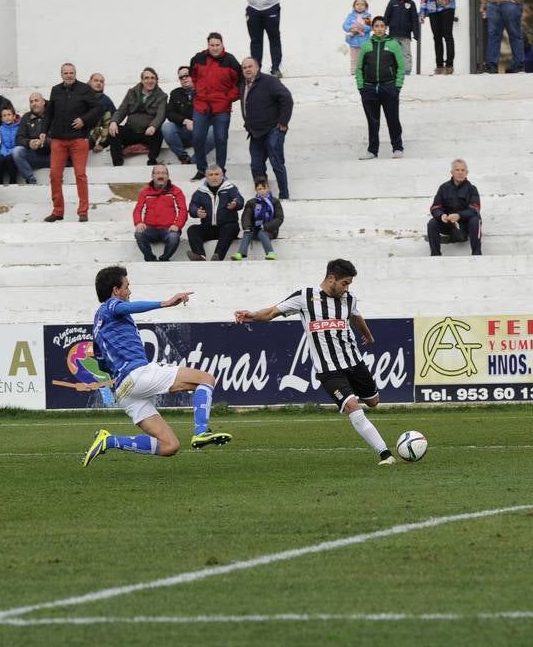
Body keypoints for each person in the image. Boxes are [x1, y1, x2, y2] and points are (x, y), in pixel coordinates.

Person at [235, 259, 395, 465]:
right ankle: (385, 454)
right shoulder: (305, 297)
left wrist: (368, 335)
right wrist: (252, 315)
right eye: (344, 283)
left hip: (354, 362)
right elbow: (272, 312)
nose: (347, 288)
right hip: (328, 369)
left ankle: (377, 436)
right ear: (331, 279)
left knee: (373, 402)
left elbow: (355, 317)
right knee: (353, 407)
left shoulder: (349, 299)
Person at [82, 265, 232, 467]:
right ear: (115, 291)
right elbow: (125, 307)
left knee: (169, 446)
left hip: (123, 391)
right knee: (206, 379)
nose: (130, 291)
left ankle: (109, 440)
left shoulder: (98, 323)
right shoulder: (110, 306)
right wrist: (166, 303)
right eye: (127, 286)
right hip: (137, 374)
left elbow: (102, 364)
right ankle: (201, 431)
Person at [42, 62, 102, 223]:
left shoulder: (85, 89)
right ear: (61, 75)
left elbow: (97, 108)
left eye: (71, 73)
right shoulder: (55, 90)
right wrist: (43, 131)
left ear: (75, 74)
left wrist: (84, 119)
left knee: (80, 175)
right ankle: (58, 211)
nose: (69, 75)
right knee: (54, 175)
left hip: (78, 139)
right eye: (66, 73)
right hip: (58, 140)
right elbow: (49, 113)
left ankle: (83, 211)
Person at [189, 33, 243, 181]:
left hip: (221, 107)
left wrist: (229, 98)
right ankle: (201, 169)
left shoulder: (230, 60)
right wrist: (197, 90)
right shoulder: (198, 58)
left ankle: (220, 171)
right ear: (208, 45)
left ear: (222, 44)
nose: (214, 48)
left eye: (217, 45)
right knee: (197, 137)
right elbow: (192, 75)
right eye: (211, 45)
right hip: (201, 105)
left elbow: (240, 83)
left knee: (221, 139)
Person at [241, 56, 293, 200]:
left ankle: (284, 196)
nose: (247, 70)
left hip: (273, 130)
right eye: (244, 68)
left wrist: (283, 122)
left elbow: (286, 98)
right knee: (256, 166)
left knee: (276, 163)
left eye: (250, 66)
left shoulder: (270, 81)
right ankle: (263, 196)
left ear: (257, 68)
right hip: (255, 132)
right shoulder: (243, 84)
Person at [356, 17, 405, 160]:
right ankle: (372, 150)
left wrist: (397, 86)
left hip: (389, 87)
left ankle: (397, 148)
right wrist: (361, 87)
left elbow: (401, 67)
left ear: (386, 28)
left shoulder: (393, 44)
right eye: (376, 26)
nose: (379, 28)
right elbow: (359, 68)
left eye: (382, 26)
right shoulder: (366, 45)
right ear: (372, 28)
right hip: (369, 89)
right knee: (372, 121)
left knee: (393, 119)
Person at [108, 68, 167, 167]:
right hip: (131, 129)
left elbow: (161, 115)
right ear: (142, 80)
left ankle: (152, 160)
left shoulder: (162, 96)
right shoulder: (132, 92)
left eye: (153, 78)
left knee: (158, 133)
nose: (150, 81)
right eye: (146, 78)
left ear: (156, 80)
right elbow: (122, 109)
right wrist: (114, 122)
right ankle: (118, 163)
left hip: (148, 132)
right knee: (114, 132)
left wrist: (153, 126)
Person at [186, 166, 244, 261]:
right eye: (211, 175)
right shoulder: (200, 191)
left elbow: (239, 200)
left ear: (222, 176)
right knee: (192, 229)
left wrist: (235, 204)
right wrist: (196, 212)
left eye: (216, 174)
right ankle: (200, 256)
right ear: (206, 177)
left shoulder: (231, 188)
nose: (214, 177)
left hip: (227, 227)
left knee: (230, 227)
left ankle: (218, 256)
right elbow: (193, 205)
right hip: (209, 228)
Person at [426, 159, 482, 256]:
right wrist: (441, 216)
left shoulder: (472, 189)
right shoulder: (443, 188)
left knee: (475, 220)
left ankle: (477, 254)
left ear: (467, 172)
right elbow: (435, 207)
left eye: (463, 170)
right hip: (449, 224)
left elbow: (475, 208)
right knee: (432, 223)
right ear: (452, 172)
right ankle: (435, 255)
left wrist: (459, 215)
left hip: (466, 225)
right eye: (457, 170)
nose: (460, 173)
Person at [133, 164, 187, 261]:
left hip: (169, 229)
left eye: (163, 173)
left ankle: (164, 259)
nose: (160, 175)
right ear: (152, 175)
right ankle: (150, 259)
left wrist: (177, 225)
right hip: (150, 229)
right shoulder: (145, 192)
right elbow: (138, 209)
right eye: (157, 173)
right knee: (138, 234)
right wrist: (138, 222)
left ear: (168, 176)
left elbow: (183, 210)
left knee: (174, 237)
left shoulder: (176, 191)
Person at [234, 178, 281, 260]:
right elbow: (246, 216)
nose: (262, 191)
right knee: (247, 232)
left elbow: (279, 218)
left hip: (270, 230)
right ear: (256, 190)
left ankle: (270, 252)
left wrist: (265, 226)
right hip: (255, 229)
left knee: (262, 232)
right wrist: (247, 227)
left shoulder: (274, 201)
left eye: (264, 188)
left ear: (268, 188)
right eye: (259, 189)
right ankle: (240, 253)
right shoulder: (251, 202)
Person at [162, 66, 200, 165]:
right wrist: (185, 121)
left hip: (201, 132)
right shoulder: (175, 93)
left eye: (186, 76)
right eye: (181, 77)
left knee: (213, 131)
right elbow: (169, 113)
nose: (184, 79)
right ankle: (183, 157)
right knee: (166, 127)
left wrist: (198, 124)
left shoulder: (203, 90)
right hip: (183, 132)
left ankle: (195, 159)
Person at [384, 0, 421, 75]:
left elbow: (414, 19)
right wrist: (383, 29)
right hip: (394, 34)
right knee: (393, 53)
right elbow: (386, 17)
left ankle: (407, 71)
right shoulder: (392, 3)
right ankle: (394, 71)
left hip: (406, 35)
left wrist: (416, 33)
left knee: (406, 53)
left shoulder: (411, 4)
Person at [11, 92, 49, 185]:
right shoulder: (26, 117)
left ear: (43, 102)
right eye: (31, 101)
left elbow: (57, 138)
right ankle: (31, 180)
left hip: (51, 156)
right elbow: (19, 138)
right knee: (17, 151)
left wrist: (42, 142)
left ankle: (58, 178)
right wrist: (30, 142)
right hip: (33, 155)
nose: (34, 103)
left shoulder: (52, 115)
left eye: (36, 100)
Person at [343, 0, 375, 75]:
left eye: (362, 4)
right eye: (357, 4)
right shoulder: (351, 16)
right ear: (354, 6)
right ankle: (354, 71)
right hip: (353, 41)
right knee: (354, 58)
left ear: (366, 7)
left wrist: (362, 28)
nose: (359, 6)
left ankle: (363, 71)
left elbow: (370, 27)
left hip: (364, 41)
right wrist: (351, 28)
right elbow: (345, 25)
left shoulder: (367, 16)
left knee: (364, 57)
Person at [0, 106, 22, 184]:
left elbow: (20, 142)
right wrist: (4, 153)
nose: (7, 117)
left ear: (14, 116)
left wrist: (10, 152)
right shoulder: (0, 129)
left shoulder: (20, 128)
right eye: (4, 116)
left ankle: (13, 181)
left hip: (15, 152)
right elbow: (1, 143)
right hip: (4, 153)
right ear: (1, 118)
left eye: (9, 115)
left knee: (10, 159)